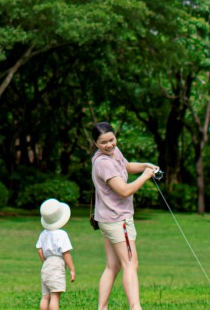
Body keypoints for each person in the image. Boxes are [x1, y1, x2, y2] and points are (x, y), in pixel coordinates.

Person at [90, 121, 159, 310]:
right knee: (130, 263)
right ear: (95, 143)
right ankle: (135, 307)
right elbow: (124, 190)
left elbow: (127, 166)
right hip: (116, 220)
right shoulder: (103, 163)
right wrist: (145, 176)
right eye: (103, 142)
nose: (110, 145)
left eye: (112, 140)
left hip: (109, 219)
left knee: (113, 266)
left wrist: (146, 166)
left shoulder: (113, 152)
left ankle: (101, 308)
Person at [37, 198, 77, 310]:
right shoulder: (62, 234)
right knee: (55, 297)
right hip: (57, 265)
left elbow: (40, 250)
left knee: (45, 297)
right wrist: (72, 269)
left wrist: (45, 262)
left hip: (46, 265)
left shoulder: (43, 234)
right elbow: (66, 253)